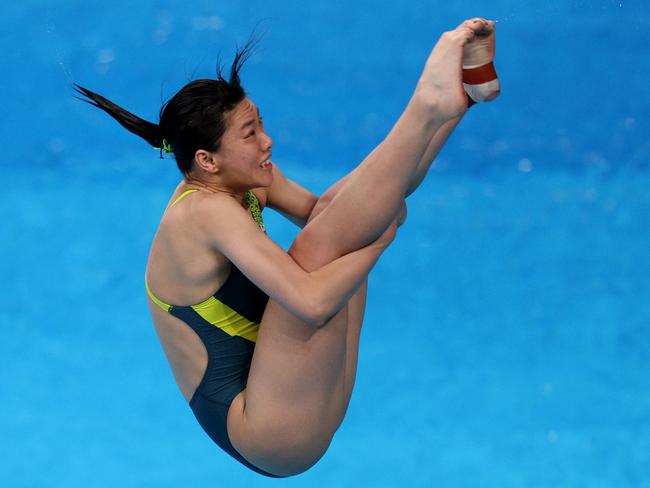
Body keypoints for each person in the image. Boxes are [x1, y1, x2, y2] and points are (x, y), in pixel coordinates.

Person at [74, 18, 499, 477]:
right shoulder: (203, 213)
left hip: (302, 399)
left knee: (340, 214)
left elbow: (351, 211)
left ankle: (455, 105)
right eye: (250, 133)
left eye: (261, 125)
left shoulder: (245, 180)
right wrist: (381, 241)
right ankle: (424, 107)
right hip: (269, 433)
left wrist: (375, 226)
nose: (267, 141)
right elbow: (312, 303)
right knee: (323, 251)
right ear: (206, 161)